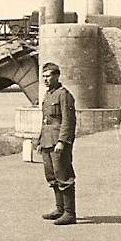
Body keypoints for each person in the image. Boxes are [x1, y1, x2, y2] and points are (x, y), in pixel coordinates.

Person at [35, 62, 77, 225]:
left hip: (58, 142)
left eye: (49, 76)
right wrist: (40, 140)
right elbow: (45, 121)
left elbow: (68, 120)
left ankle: (69, 213)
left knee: (64, 175)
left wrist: (62, 141)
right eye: (43, 76)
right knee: (51, 176)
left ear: (57, 76)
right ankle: (59, 209)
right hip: (47, 141)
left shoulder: (63, 94)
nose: (46, 79)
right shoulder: (48, 95)